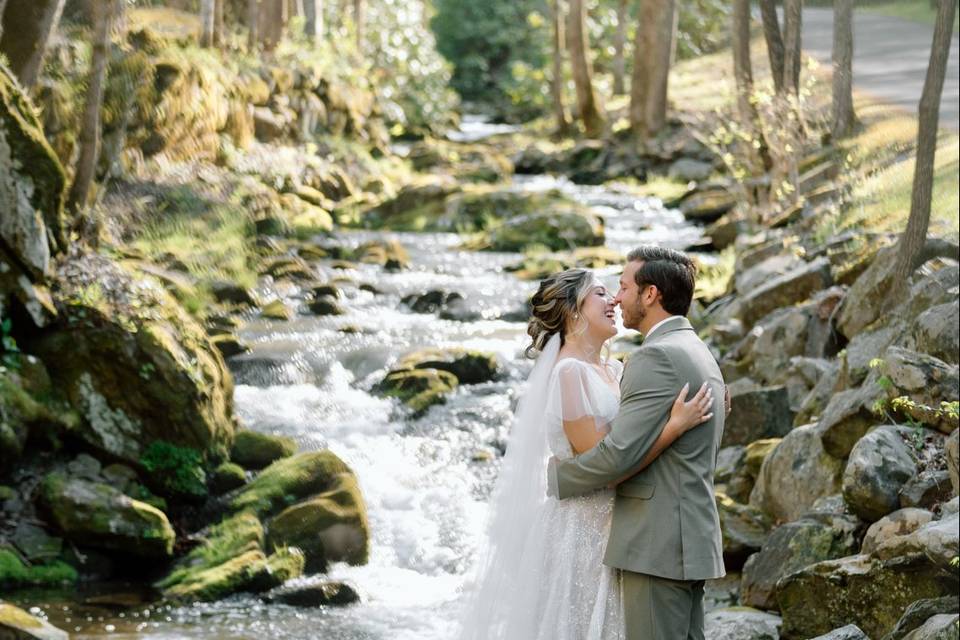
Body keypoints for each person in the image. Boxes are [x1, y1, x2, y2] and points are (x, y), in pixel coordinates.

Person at [458, 265, 714, 640]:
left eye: (615, 291)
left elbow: (634, 432)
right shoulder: (569, 374)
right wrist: (673, 427)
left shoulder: (614, 367)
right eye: (600, 293)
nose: (612, 300)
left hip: (622, 526)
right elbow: (607, 464)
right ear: (573, 311)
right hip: (585, 531)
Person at [548, 246, 727, 640]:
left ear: (650, 295)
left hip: (656, 546)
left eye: (624, 287)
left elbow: (616, 457)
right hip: (688, 539)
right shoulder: (698, 352)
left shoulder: (656, 357)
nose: (616, 297)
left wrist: (560, 479)